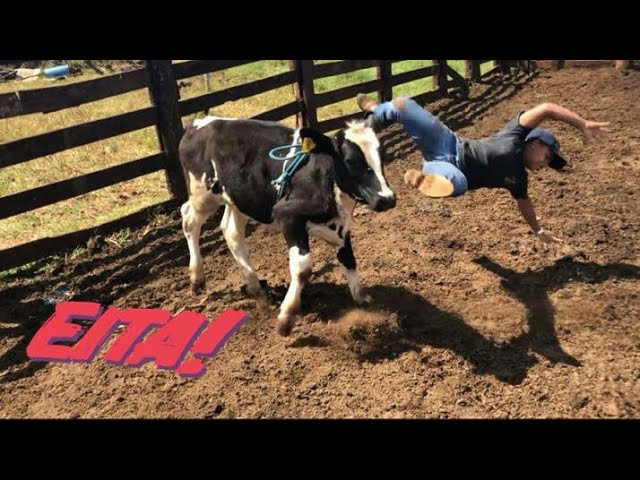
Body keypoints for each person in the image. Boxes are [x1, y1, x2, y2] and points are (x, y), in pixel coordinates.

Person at [356, 93, 610, 244]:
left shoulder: (518, 178)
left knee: (457, 184)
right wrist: (581, 123)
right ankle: (377, 110)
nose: (545, 164)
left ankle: (423, 179)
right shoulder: (516, 133)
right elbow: (546, 109)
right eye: (547, 155)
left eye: (548, 164)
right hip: (447, 142)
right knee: (404, 104)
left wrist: (539, 231)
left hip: (448, 169)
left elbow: (525, 205)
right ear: (536, 141)